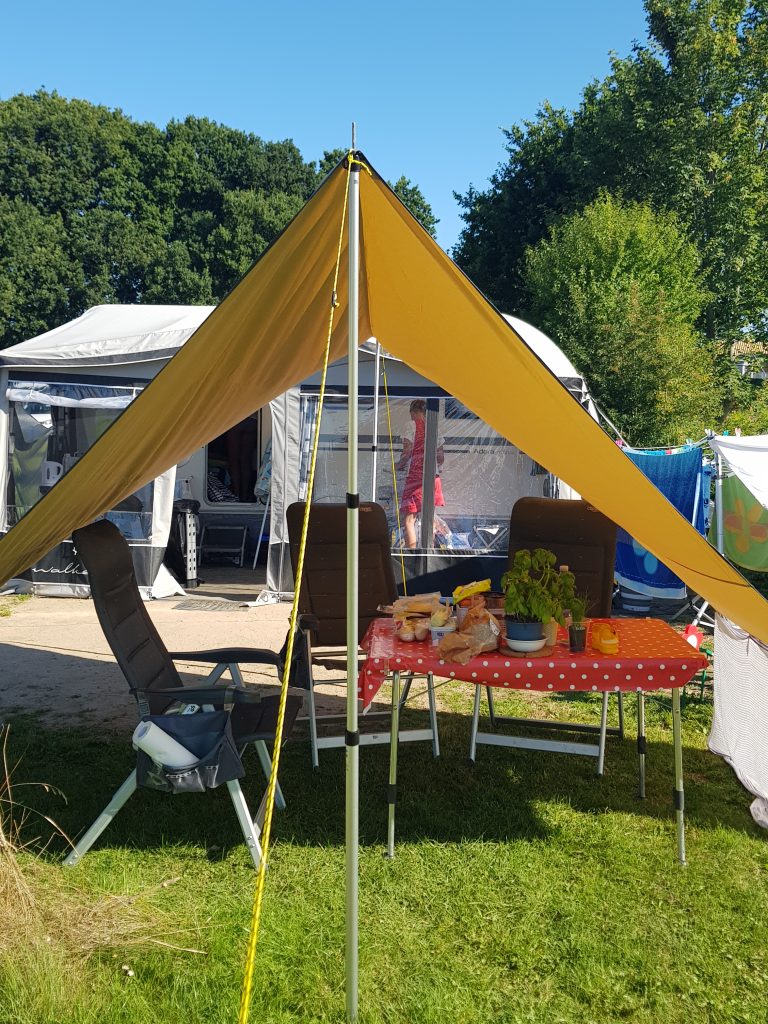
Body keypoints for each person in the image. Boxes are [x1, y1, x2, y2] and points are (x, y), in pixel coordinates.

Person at [397, 399, 445, 549]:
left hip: (416, 478)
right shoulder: (435, 427)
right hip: (433, 478)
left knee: (409, 520)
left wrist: (399, 465)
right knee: (428, 518)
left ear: (414, 412)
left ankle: (412, 555)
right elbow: (440, 457)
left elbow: (407, 451)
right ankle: (428, 555)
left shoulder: (410, 426)